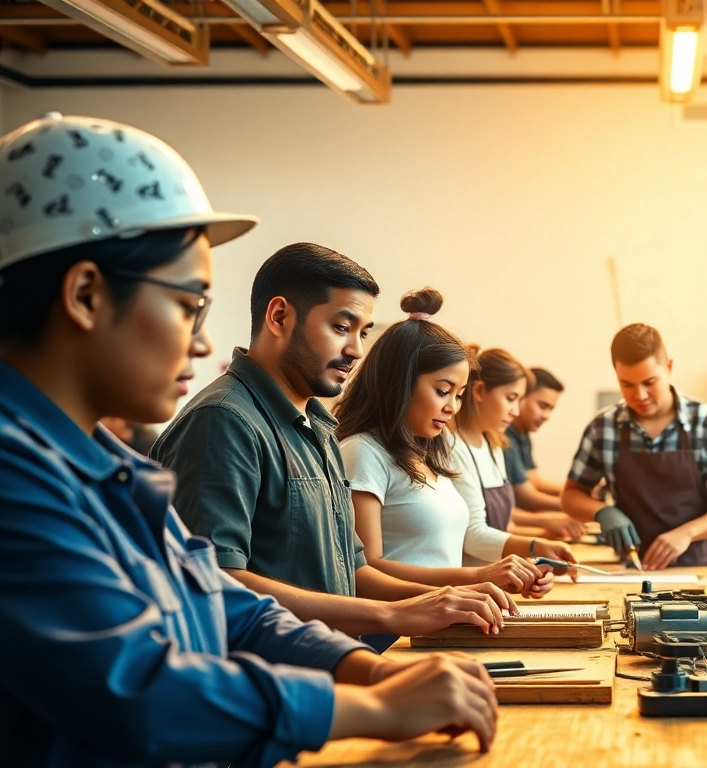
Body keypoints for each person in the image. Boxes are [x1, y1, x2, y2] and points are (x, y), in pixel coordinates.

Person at [0, 113, 497, 767]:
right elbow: (136, 690)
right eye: (188, 305)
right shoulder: (16, 476)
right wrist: (371, 709)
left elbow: (226, 601)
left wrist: (368, 672)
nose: (203, 342)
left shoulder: (105, 464)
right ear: (87, 294)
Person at [153, 243, 513, 643]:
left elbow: (354, 572)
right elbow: (217, 581)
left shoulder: (318, 426)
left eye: (363, 333)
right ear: (279, 317)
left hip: (335, 662)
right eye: (341, 328)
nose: (356, 350)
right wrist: (392, 614)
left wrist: (450, 598)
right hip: (279, 685)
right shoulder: (223, 420)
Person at [336, 288, 561, 598]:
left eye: (459, 394)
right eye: (442, 391)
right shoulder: (362, 453)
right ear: (400, 383)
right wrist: (477, 577)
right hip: (395, 631)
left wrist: (505, 576)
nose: (453, 407)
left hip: (443, 619)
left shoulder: (430, 451)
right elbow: (367, 570)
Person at [562, 323, 707, 570]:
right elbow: (571, 496)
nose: (639, 395)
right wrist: (602, 512)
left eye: (649, 382)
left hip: (702, 568)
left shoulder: (706, 423)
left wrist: (687, 533)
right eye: (627, 384)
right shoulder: (604, 427)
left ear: (668, 367)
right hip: (634, 567)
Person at [449, 347, 579, 567]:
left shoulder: (494, 446)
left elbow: (506, 527)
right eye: (510, 398)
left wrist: (545, 548)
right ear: (479, 391)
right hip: (472, 582)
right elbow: (473, 537)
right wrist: (536, 545)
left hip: (500, 575)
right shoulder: (453, 447)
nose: (515, 411)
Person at [504, 367, 586, 541]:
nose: (546, 416)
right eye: (542, 406)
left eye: (551, 409)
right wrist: (577, 504)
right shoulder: (504, 437)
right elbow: (527, 497)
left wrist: (582, 490)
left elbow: (535, 482)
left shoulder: (522, 435)